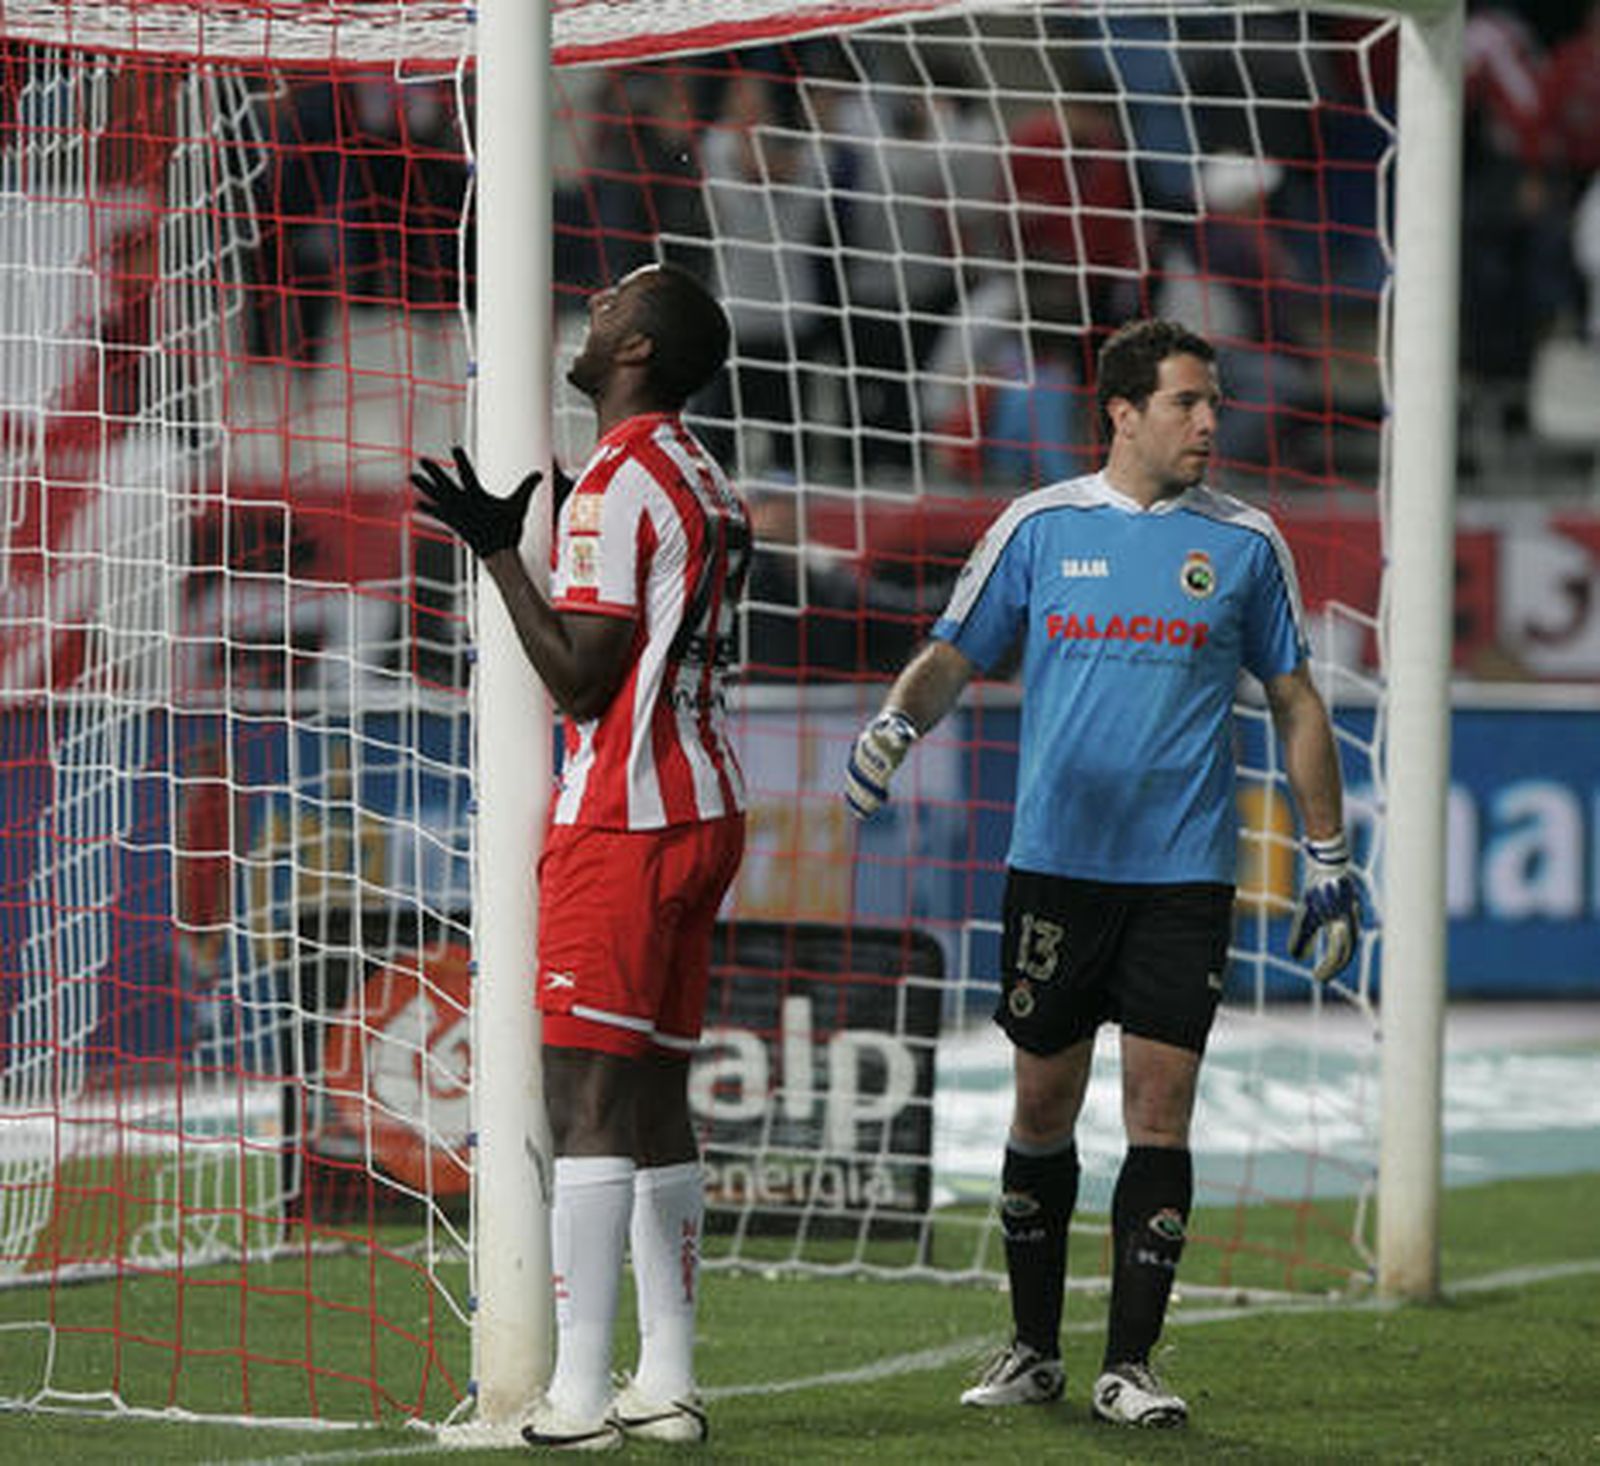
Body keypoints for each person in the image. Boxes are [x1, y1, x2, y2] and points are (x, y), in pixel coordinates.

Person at [843, 318, 1358, 1430]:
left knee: (1160, 1108)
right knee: (1041, 1101)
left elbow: (1295, 700)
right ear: (1121, 411)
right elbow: (956, 647)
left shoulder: (1244, 542)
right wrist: (894, 725)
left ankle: (1130, 1361)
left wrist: (1327, 854)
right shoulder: (1039, 527)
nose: (1210, 421)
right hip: (1055, 871)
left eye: (1212, 402)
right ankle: (1033, 1346)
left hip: (1182, 877)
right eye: (1186, 402)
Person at [413, 261, 749, 1450]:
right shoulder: (706, 473)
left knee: (585, 1091)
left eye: (615, 303)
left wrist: (503, 555)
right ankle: (666, 1379)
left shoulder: (617, 479)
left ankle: (575, 1395)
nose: (594, 306)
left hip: (625, 813)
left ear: (639, 352)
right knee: (655, 1090)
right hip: (705, 802)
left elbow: (581, 676)